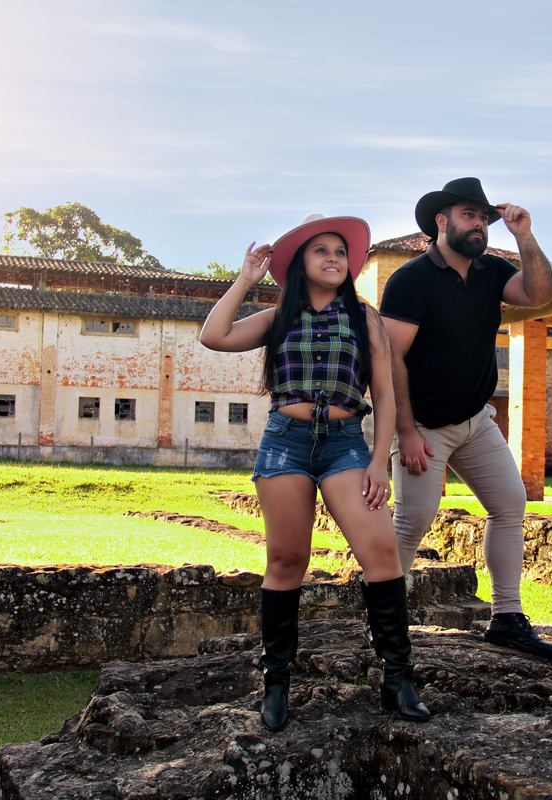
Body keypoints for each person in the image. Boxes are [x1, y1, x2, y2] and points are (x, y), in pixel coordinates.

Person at [199, 213, 430, 730]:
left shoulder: (364, 318)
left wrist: (379, 460)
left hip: (347, 445)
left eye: (340, 252)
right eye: (320, 250)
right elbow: (213, 336)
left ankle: (398, 677)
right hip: (286, 444)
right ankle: (276, 682)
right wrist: (244, 281)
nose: (333, 258)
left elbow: (386, 395)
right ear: (301, 261)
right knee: (286, 559)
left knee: (380, 550)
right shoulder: (277, 316)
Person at [379, 178, 552, 660]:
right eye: (468, 215)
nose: (478, 224)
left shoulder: (491, 271)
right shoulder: (410, 280)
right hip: (423, 425)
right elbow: (390, 359)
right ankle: (385, 623)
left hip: (476, 420)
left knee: (509, 504)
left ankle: (506, 618)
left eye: (484, 217)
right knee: (412, 522)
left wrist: (524, 236)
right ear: (442, 221)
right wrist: (406, 432)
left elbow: (541, 294)